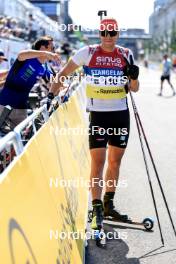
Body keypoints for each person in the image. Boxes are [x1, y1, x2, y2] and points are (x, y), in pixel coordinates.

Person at [47, 18, 139, 230]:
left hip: (120, 115)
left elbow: (134, 89)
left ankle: (108, 205)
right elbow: (63, 74)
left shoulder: (125, 54)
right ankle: (96, 208)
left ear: (117, 34)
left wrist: (133, 79)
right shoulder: (86, 52)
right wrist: (51, 95)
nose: (108, 37)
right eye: (105, 33)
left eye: (112, 32)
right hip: (98, 116)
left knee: (115, 162)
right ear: (100, 34)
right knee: (98, 163)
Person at [0, 36, 60, 130]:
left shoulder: (44, 68)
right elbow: (21, 55)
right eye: (52, 48)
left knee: (18, 138)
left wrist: (63, 87)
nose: (54, 51)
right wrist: (46, 53)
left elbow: (53, 83)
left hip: (21, 107)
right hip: (4, 103)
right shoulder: (27, 58)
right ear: (43, 48)